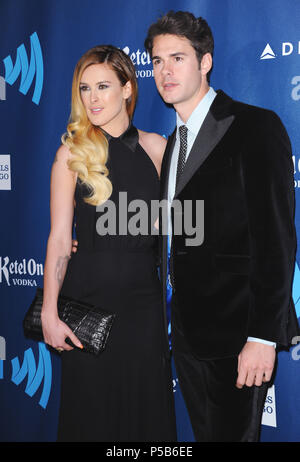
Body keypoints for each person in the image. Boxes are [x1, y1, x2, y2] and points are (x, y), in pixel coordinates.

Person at [144, 11, 299, 442]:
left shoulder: (255, 126)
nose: (165, 71)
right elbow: (180, 234)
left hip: (238, 336)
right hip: (187, 337)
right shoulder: (173, 143)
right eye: (157, 61)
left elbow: (277, 240)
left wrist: (263, 337)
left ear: (205, 62)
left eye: (177, 58)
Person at [40, 44, 177, 442]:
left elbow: (177, 226)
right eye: (84, 89)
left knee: (144, 416)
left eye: (103, 86)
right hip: (87, 304)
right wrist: (50, 312)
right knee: (91, 417)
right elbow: (60, 240)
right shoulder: (71, 153)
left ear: (128, 88)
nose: (93, 98)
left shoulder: (158, 149)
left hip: (144, 306)